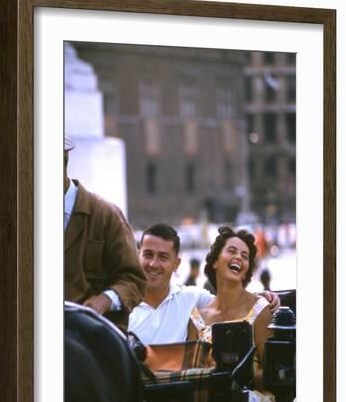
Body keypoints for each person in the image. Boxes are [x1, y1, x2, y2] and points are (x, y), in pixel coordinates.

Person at [128, 223, 279, 345]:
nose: (154, 264)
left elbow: (230, 301)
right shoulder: (120, 307)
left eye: (163, 257)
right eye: (148, 255)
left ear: (176, 264)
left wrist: (264, 297)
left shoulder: (191, 298)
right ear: (137, 256)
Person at [195, 225, 275, 402]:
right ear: (215, 261)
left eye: (245, 256)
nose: (239, 257)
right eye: (232, 251)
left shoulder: (260, 309)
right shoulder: (197, 317)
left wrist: (238, 375)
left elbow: (274, 374)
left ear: (246, 269)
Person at [64, 137, 147, 331]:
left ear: (64, 161)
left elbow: (134, 280)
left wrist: (105, 300)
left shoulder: (106, 215)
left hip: (92, 340)